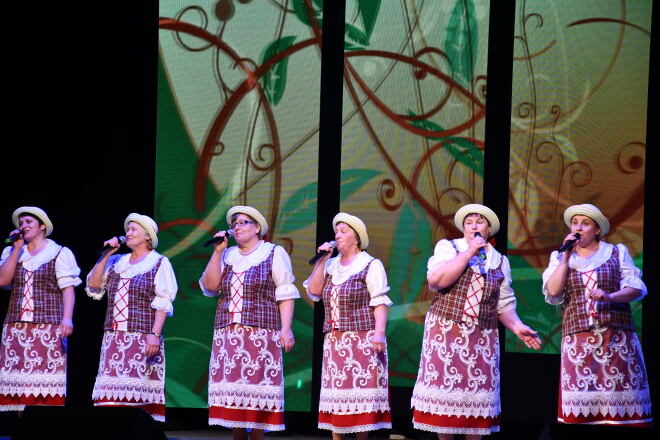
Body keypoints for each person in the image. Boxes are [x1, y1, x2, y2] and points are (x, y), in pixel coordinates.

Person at [410, 204, 541, 439]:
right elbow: (436, 281)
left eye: (479, 222)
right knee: (445, 410)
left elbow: (503, 304)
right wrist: (469, 252)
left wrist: (517, 326)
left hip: (481, 339)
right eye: (469, 222)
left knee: (475, 409)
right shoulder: (449, 248)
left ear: (489, 229)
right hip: (447, 333)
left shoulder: (500, 261)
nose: (473, 226)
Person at [542, 203, 652, 426]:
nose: (578, 227)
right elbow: (553, 291)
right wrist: (565, 258)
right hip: (579, 343)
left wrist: (610, 297)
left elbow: (636, 288)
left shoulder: (616, 252)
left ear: (597, 229)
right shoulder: (560, 257)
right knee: (582, 415)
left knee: (619, 412)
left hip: (616, 340)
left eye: (585, 223)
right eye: (575, 223)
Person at [200, 206, 299, 440]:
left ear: (257, 228)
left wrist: (286, 329)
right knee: (234, 395)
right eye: (234, 224)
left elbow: (285, 293)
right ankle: (237, 436)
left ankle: (256, 436)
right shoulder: (226, 255)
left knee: (256, 392)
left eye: (243, 222)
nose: (237, 227)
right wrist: (217, 252)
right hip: (228, 336)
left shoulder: (273, 252)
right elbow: (211, 287)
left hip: (259, 336)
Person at [305, 213, 392, 439]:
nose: (337, 235)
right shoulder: (331, 265)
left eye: (343, 231)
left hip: (363, 341)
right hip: (335, 343)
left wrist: (380, 334)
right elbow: (314, 291)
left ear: (357, 238)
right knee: (337, 401)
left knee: (360, 402)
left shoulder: (370, 264)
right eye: (337, 231)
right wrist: (321, 261)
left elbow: (380, 303)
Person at [86, 213, 177, 421]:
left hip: (142, 339)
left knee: (137, 398)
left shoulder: (159, 262)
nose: (128, 233)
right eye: (127, 229)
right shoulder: (116, 261)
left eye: (134, 229)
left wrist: (155, 335)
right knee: (111, 398)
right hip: (113, 339)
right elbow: (93, 284)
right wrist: (106, 255)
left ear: (147, 236)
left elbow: (163, 302)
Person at [0, 207, 81, 411]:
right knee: (17, 388)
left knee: (44, 387)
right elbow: (3, 281)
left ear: (42, 226)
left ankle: (42, 424)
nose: (23, 226)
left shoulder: (59, 253)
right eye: (21, 223)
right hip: (16, 329)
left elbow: (68, 290)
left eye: (28, 222)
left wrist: (67, 318)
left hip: (47, 328)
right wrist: (16, 249)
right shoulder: (12, 252)